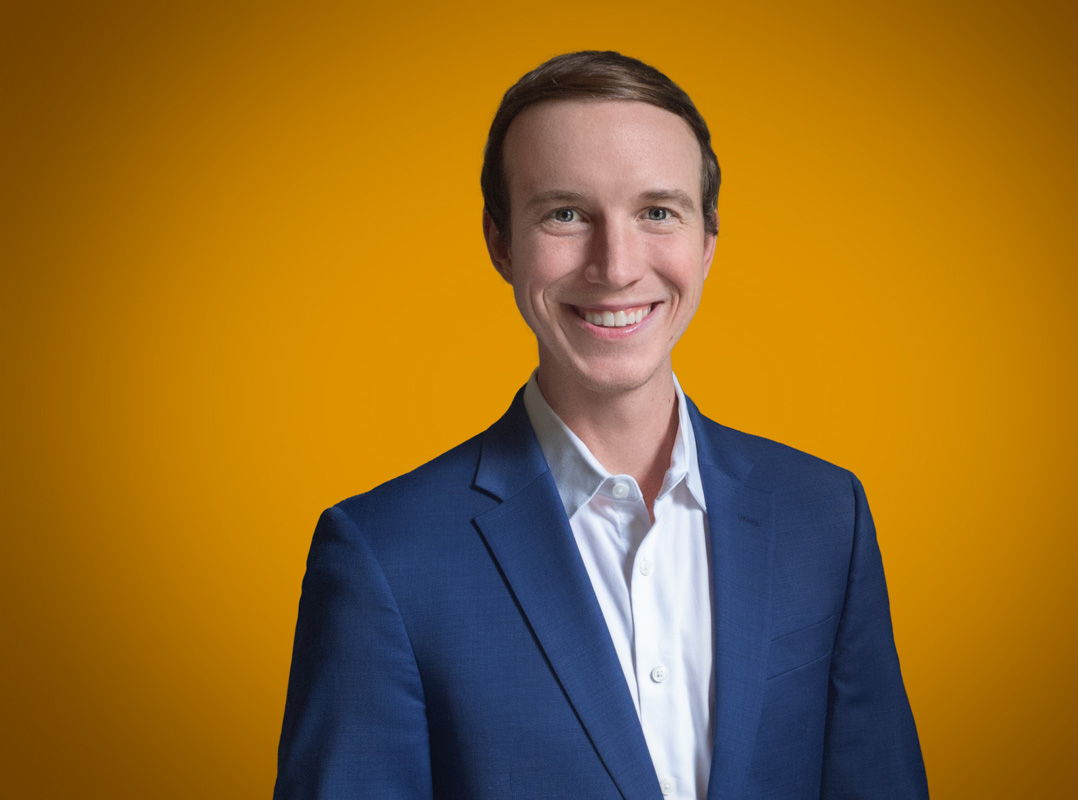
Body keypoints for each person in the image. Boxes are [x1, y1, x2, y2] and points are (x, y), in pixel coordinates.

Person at [274, 50, 928, 800]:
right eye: (565, 213)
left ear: (708, 239)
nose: (615, 266)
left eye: (657, 211)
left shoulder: (825, 515)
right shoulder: (381, 555)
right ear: (500, 242)